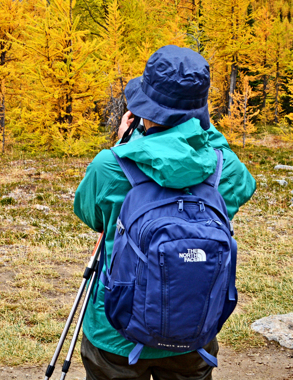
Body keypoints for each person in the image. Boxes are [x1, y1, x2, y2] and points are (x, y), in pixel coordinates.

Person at [73, 45, 256, 380]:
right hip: (193, 326)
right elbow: (243, 188)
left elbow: (92, 216)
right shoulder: (223, 166)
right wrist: (203, 128)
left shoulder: (112, 165)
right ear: (200, 112)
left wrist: (123, 146)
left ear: (145, 107)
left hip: (116, 329)